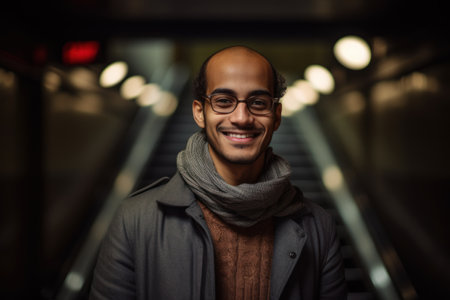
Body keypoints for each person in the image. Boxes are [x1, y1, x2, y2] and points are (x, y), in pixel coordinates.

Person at [90, 46, 347, 300]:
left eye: (258, 103)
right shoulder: (134, 220)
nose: (242, 117)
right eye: (224, 101)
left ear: (276, 116)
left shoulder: (318, 226)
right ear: (200, 112)